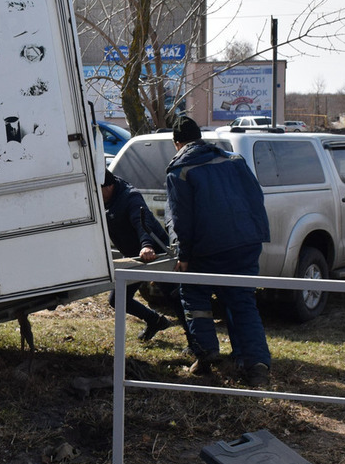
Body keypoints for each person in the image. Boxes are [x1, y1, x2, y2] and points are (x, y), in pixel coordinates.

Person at [164, 117, 272, 387]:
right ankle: (256, 365)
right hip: (247, 242)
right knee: (242, 302)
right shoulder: (234, 160)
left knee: (193, 294)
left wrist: (184, 256)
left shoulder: (180, 170)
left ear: (177, 143)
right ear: (199, 137)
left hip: (208, 248)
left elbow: (181, 219)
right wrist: (257, 235)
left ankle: (206, 355)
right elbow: (255, 198)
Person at [101, 169, 175, 342]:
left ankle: (196, 345)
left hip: (156, 253)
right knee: (117, 299)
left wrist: (147, 246)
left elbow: (142, 223)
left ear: (110, 186)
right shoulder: (104, 199)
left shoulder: (130, 197)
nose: (96, 194)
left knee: (175, 299)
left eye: (99, 190)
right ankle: (155, 321)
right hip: (134, 257)